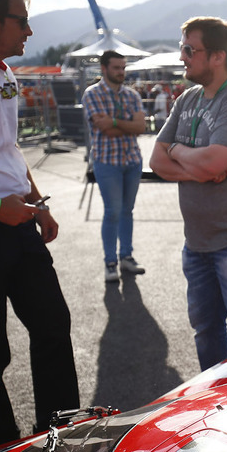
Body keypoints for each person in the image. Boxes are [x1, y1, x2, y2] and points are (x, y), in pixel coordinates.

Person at [149, 16, 227, 371]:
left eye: (190, 49)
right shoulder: (188, 97)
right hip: (198, 243)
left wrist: (180, 152)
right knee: (205, 331)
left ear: (218, 56)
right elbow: (157, 160)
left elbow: (211, 161)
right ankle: (215, 402)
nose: (182, 57)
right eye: (182, 48)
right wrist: (198, 167)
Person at [0, 0, 79, 448]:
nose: (30, 31)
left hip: (19, 220)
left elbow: (10, 149)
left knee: (53, 325)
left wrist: (39, 202)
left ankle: (62, 434)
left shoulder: (5, 75)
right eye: (22, 21)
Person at [82, 50, 146, 282]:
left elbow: (140, 127)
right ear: (104, 69)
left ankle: (126, 257)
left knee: (127, 211)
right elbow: (105, 130)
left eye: (123, 68)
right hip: (107, 161)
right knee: (112, 212)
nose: (121, 72)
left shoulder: (131, 95)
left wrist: (116, 122)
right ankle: (110, 261)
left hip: (131, 160)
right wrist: (126, 125)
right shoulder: (92, 94)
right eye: (117, 68)